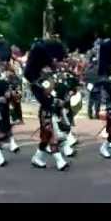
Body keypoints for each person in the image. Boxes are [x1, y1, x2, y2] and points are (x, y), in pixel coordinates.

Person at [25, 40, 70, 171]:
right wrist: (50, 80)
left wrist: (60, 100)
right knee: (52, 136)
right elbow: (45, 95)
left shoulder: (50, 75)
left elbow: (55, 95)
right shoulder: (37, 82)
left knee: (45, 139)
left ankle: (37, 158)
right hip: (46, 112)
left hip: (55, 111)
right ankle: (59, 160)